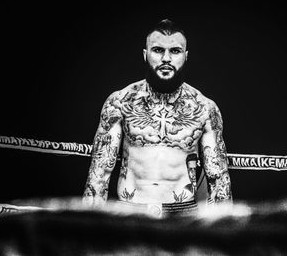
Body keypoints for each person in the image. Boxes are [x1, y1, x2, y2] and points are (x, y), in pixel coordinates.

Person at [82, 19, 232, 215]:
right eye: (158, 50)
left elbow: (219, 181)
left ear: (186, 56)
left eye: (175, 51)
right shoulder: (120, 102)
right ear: (145, 54)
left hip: (182, 215)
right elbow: (98, 177)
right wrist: (89, 230)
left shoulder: (205, 108)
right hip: (130, 213)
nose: (166, 58)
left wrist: (221, 237)